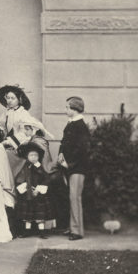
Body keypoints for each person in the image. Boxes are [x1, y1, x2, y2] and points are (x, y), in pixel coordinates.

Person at [58, 96, 91, 241]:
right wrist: (60, 154)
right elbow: (64, 143)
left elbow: (82, 150)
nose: (65, 109)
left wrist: (69, 164)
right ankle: (72, 227)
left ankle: (77, 231)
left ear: (75, 109)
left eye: (67, 107)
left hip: (77, 168)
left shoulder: (81, 126)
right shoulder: (71, 124)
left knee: (75, 197)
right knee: (70, 197)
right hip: (69, 167)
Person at [15, 141, 55, 238]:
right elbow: (19, 179)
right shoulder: (24, 167)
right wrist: (27, 188)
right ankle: (26, 231)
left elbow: (46, 179)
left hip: (38, 194)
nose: (33, 157)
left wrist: (38, 189)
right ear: (27, 156)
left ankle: (42, 232)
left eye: (36, 155)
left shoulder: (40, 168)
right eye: (31, 155)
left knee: (39, 214)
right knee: (28, 214)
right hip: (27, 194)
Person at [0, 85, 37, 176]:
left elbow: (27, 133)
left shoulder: (24, 114)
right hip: (7, 144)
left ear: (19, 99)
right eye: (8, 98)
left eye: (13, 98)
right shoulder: (7, 112)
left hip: (20, 146)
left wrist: (8, 142)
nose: (9, 100)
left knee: (5, 156)